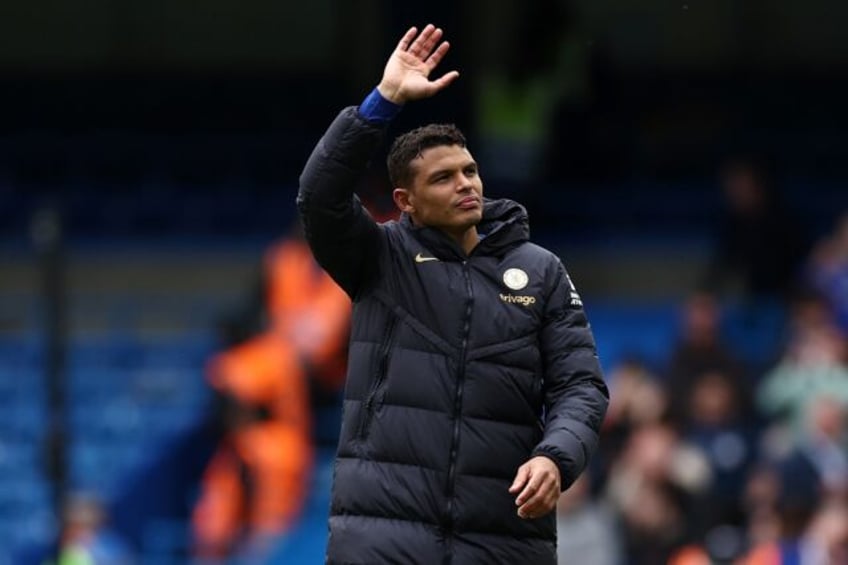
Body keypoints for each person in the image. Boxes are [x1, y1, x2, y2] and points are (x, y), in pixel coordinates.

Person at [297, 24, 609, 564]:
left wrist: (556, 459)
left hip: (503, 538)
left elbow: (581, 386)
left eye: (470, 171)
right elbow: (319, 195)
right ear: (406, 201)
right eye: (443, 178)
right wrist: (383, 101)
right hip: (382, 538)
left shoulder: (541, 272)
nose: (466, 184)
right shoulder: (377, 258)